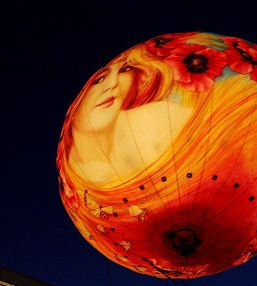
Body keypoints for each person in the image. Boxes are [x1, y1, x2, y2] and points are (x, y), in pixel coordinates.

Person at [65, 46, 192, 185]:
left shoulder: (165, 118)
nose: (113, 84)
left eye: (124, 70)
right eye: (99, 80)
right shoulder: (74, 180)